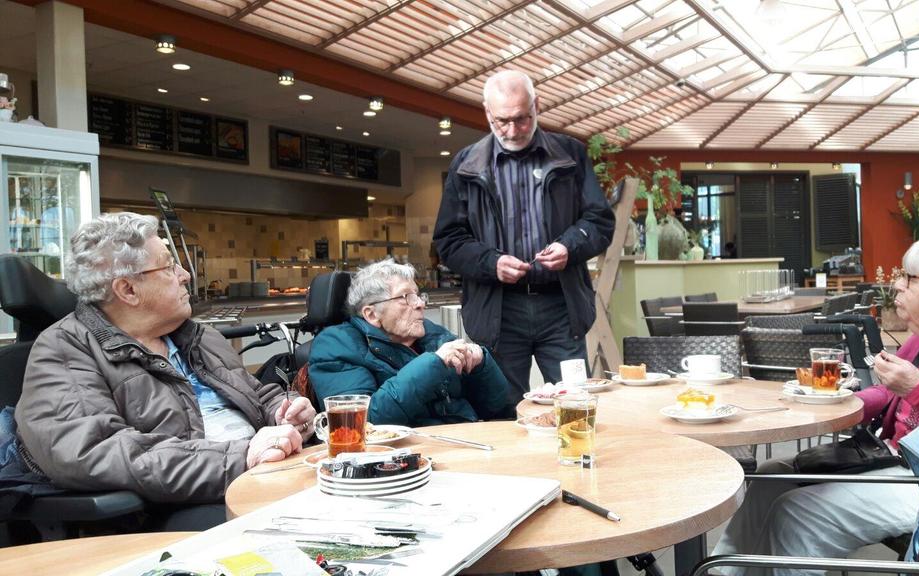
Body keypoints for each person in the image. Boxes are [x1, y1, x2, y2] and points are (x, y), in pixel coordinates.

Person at [712, 233, 919, 575]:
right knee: (770, 478)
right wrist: (840, 402)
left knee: (797, 512)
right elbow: (891, 393)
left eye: (910, 278)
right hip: (890, 457)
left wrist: (918, 388)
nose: (896, 286)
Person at [15, 212, 315, 512]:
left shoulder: (198, 336)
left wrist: (283, 410)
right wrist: (241, 457)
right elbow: (96, 452)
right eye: (170, 266)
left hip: (267, 476)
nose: (185, 275)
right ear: (128, 290)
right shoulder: (65, 349)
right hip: (181, 508)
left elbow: (255, 394)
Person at [432, 70, 615, 411]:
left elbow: (600, 221)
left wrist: (570, 246)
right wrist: (491, 263)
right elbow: (449, 240)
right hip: (499, 311)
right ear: (487, 113)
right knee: (502, 412)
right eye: (502, 121)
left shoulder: (571, 155)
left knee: (576, 406)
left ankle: (577, 464)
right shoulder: (465, 164)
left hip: (561, 306)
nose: (513, 130)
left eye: (522, 119)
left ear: (537, 107)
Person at [307, 259, 508, 427]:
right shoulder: (336, 345)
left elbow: (499, 409)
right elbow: (362, 424)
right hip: (403, 458)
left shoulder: (432, 334)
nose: (421, 304)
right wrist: (433, 364)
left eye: (418, 295)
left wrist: (482, 366)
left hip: (469, 439)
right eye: (406, 297)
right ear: (371, 314)